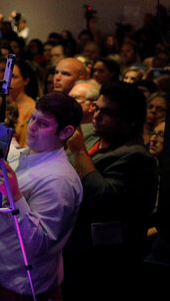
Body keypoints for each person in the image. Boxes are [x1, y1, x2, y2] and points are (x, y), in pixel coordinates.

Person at [0, 92, 84, 299]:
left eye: (43, 123)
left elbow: (40, 244)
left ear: (66, 132)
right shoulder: (28, 155)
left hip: (23, 288)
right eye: (32, 118)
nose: (32, 126)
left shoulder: (59, 180)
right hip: (1, 279)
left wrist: (15, 195)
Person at [64, 83, 158, 300]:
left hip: (104, 266)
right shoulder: (92, 138)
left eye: (107, 113)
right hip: (74, 254)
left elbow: (104, 199)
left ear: (131, 120)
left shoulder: (137, 158)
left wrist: (79, 153)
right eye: (96, 108)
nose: (96, 116)